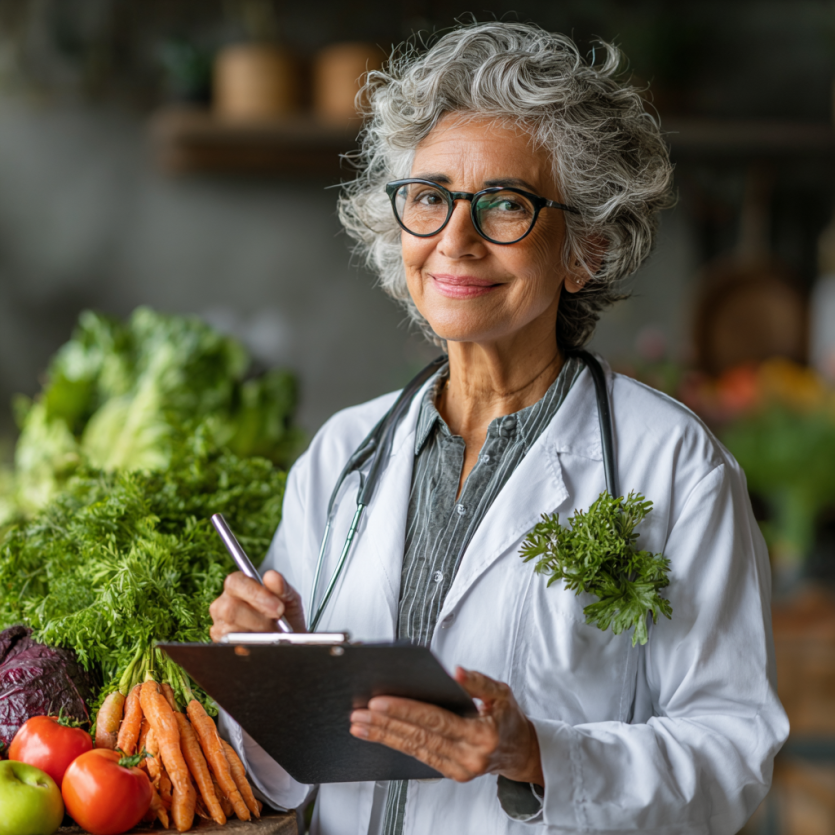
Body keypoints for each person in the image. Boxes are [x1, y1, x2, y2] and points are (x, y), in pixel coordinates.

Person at [209, 21, 788, 835]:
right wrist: (269, 671)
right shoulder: (343, 454)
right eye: (429, 197)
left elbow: (731, 754)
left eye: (506, 204)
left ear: (584, 247)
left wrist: (538, 754)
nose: (455, 238)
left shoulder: (672, 465)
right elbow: (279, 779)